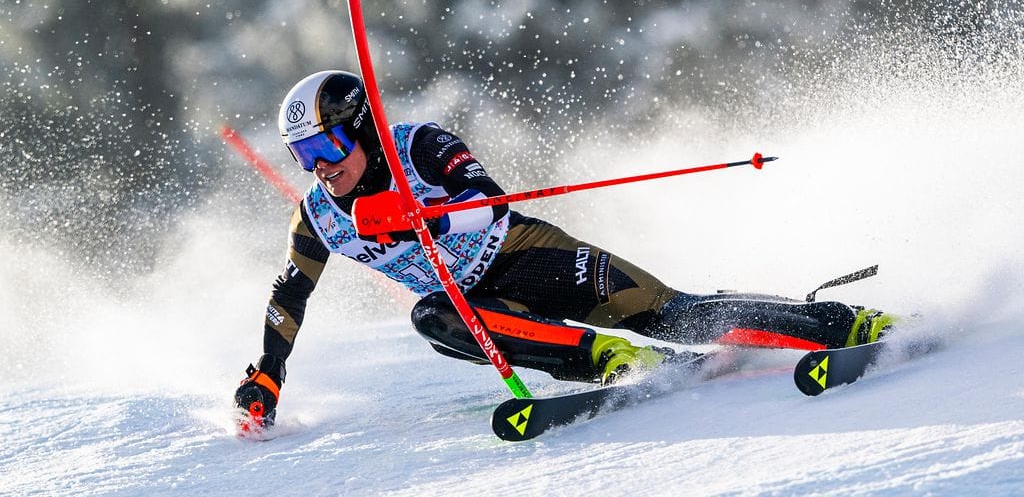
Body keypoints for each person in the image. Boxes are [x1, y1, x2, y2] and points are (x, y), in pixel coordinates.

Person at [233, 70, 894, 431]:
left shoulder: (417, 147)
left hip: (525, 254)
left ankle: (844, 324)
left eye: (326, 149)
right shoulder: (319, 214)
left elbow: (487, 201)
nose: (320, 168)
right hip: (482, 304)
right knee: (433, 315)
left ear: (360, 131)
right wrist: (270, 370)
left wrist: (421, 220)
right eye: (303, 157)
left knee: (673, 312)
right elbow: (291, 292)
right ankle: (609, 360)